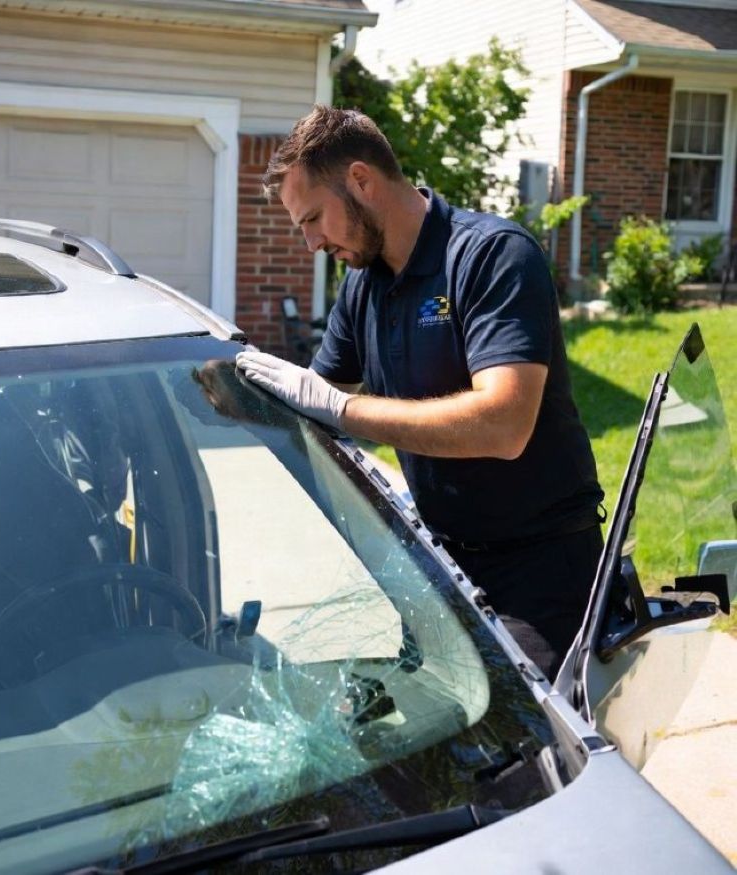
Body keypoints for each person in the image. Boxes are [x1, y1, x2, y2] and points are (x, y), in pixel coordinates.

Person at [234, 104, 604, 678]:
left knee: (531, 725)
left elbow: (504, 424)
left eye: (313, 218)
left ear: (361, 181)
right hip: (442, 566)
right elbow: (316, 401)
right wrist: (224, 390)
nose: (310, 243)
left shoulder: (491, 256)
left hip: (542, 571)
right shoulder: (364, 284)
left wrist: (344, 409)